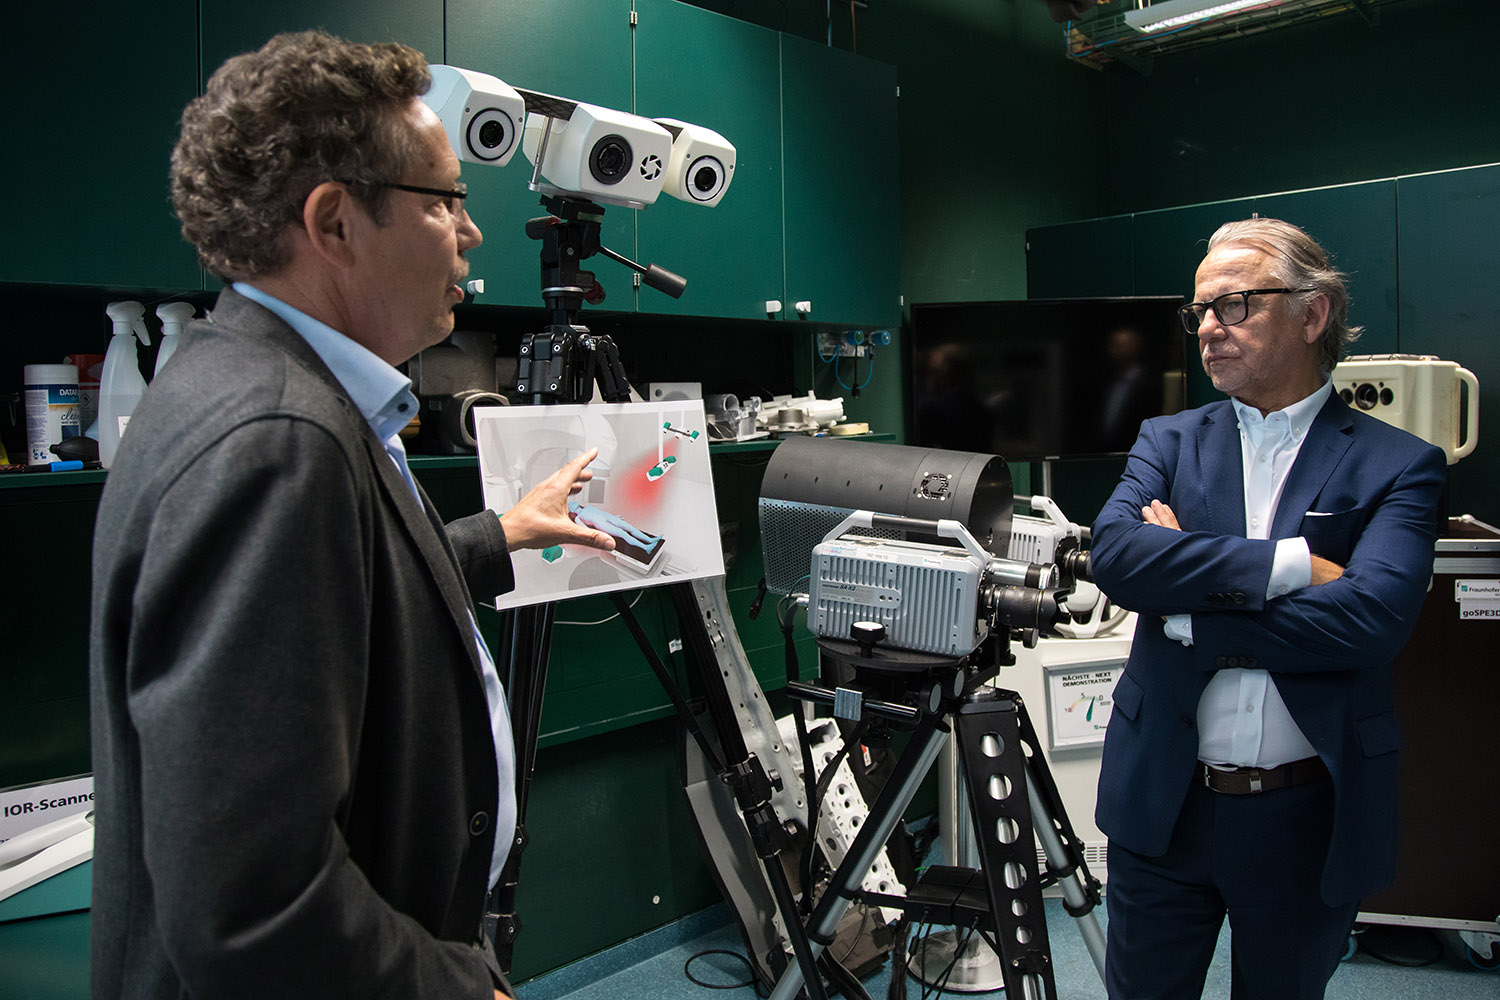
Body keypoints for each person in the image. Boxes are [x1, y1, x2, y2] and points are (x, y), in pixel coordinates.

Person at [88, 31, 615, 998]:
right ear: (335, 224)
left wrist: (502, 534)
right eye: (446, 200)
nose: (473, 231)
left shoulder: (245, 382)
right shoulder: (280, 441)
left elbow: (339, 599)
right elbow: (257, 907)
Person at [1088, 218, 1446, 999]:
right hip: (1164, 801)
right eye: (1201, 311)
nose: (1209, 329)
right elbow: (1115, 557)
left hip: (1303, 813)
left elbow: (1372, 619)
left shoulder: (1398, 464)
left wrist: (1188, 609)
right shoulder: (1169, 442)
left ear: (1312, 315)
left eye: (1235, 304)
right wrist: (1294, 567)